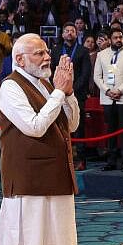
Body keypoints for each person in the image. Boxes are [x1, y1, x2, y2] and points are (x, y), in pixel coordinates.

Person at [0, 33, 79, 245]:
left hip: (48, 177)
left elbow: (71, 124)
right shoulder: (10, 86)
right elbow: (33, 126)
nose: (47, 57)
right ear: (19, 59)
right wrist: (58, 92)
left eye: (47, 52)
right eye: (39, 53)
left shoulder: (44, 85)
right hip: (26, 179)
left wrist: (67, 94)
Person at [93, 29, 123, 171]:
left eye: (121, 37)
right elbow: (97, 77)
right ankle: (111, 161)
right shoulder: (101, 55)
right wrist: (107, 90)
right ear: (109, 39)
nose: (119, 39)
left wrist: (120, 90)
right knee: (110, 130)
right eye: (115, 37)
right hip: (107, 98)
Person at [52, 22, 92, 170]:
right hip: (58, 95)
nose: (69, 33)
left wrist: (71, 90)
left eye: (72, 31)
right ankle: (62, 157)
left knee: (78, 127)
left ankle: (81, 159)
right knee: (60, 126)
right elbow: (51, 72)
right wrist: (60, 90)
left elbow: (85, 73)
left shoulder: (82, 51)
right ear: (62, 34)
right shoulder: (56, 51)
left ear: (76, 34)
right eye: (67, 30)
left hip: (77, 94)